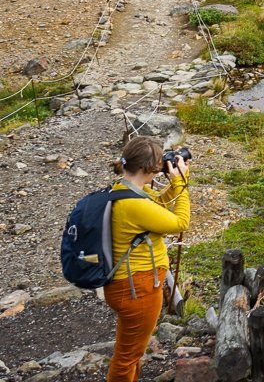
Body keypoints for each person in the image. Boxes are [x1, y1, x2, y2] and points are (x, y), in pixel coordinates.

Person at [104, 137, 190, 382]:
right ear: (146, 168)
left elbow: (158, 204)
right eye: (159, 162)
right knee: (127, 356)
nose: (162, 166)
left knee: (131, 352)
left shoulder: (123, 189)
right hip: (137, 289)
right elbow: (180, 222)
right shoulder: (133, 204)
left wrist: (175, 184)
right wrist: (182, 183)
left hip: (127, 286)